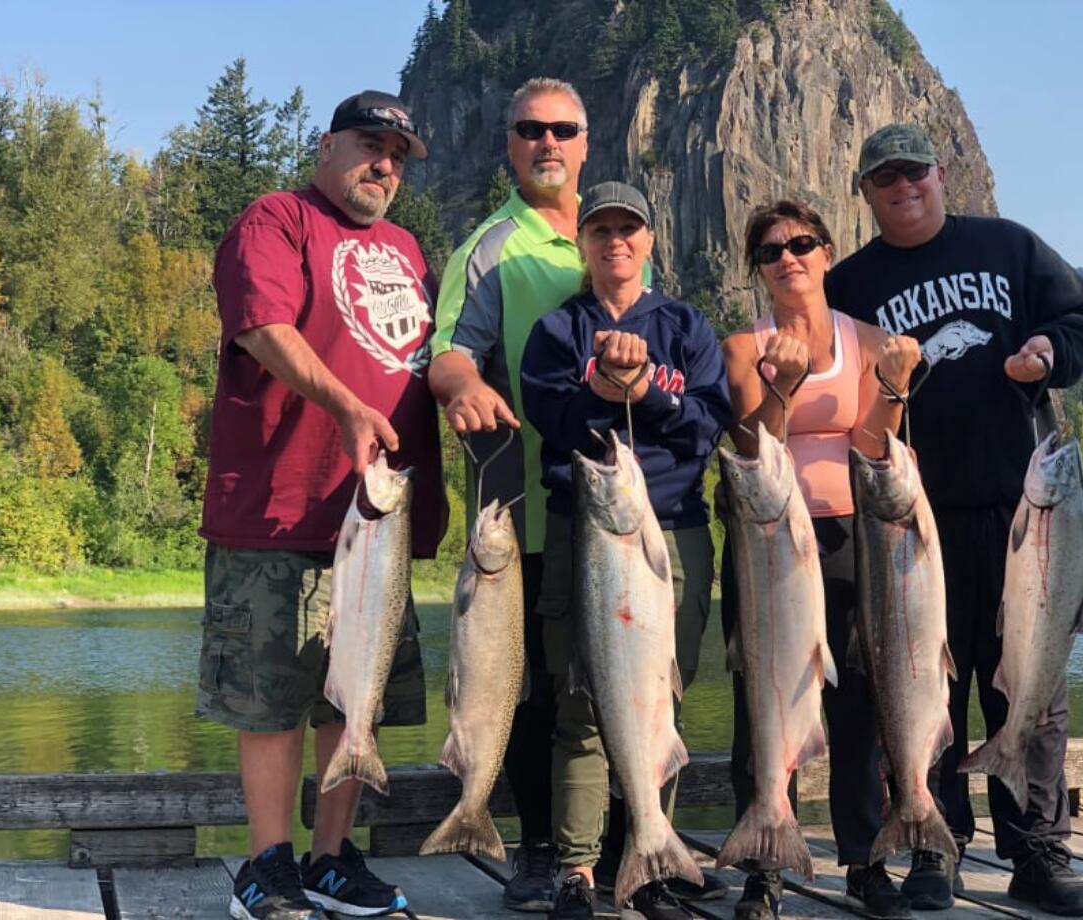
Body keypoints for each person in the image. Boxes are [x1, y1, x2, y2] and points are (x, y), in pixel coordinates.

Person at [825, 123, 1083, 917]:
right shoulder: (849, 284)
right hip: (914, 526)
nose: (903, 187)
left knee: (1033, 683)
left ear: (941, 174)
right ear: (868, 194)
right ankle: (933, 842)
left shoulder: (1008, 246)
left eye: (915, 172)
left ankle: (1040, 850)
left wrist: (1049, 351)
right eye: (885, 179)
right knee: (926, 687)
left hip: (1026, 511)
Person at [196, 90, 446, 920]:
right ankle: (266, 867)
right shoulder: (277, 220)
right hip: (278, 507)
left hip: (377, 514)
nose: (384, 165)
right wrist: (343, 407)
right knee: (271, 699)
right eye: (371, 145)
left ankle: (331, 861)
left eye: (399, 157)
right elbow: (263, 326)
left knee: (355, 699)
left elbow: (421, 373)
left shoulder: (411, 250)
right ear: (326, 148)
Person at [518, 181, 732, 920]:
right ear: (582, 243)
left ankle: (654, 852)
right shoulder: (556, 332)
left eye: (629, 229)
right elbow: (558, 426)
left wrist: (647, 387)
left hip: (671, 533)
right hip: (587, 534)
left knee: (660, 702)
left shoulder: (686, 326)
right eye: (601, 229)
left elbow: (705, 429)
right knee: (578, 706)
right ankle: (577, 871)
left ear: (650, 240)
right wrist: (610, 387)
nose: (616, 241)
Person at [719, 201, 922, 920]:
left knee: (859, 704)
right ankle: (763, 865)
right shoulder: (747, 346)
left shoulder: (866, 340)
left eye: (801, 243)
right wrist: (782, 388)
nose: (788, 257)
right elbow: (754, 447)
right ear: (759, 268)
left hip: (853, 538)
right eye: (771, 250)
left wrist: (894, 384)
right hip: (768, 539)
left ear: (827, 251)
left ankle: (864, 864)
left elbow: (874, 443)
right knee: (764, 698)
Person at [429, 76, 587, 913]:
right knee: (522, 688)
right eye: (530, 129)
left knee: (591, 684)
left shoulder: (614, 237)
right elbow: (450, 352)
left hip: (606, 513)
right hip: (517, 505)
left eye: (562, 128)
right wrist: (461, 390)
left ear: (585, 144)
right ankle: (530, 850)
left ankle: (600, 849)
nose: (547, 142)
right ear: (510, 146)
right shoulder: (488, 246)